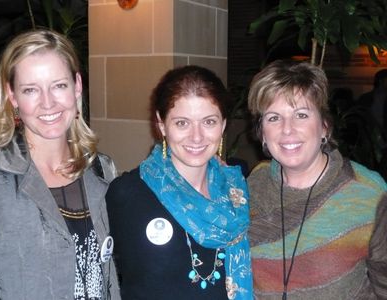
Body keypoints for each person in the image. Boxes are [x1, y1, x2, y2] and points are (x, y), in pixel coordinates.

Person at [0, 29, 121, 299]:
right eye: (30, 90)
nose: (47, 103)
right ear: (13, 97)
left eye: (58, 85)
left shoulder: (102, 170)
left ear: (77, 86)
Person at [106, 65, 253, 300]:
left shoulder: (237, 191)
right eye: (182, 123)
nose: (196, 137)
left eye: (208, 122)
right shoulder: (127, 195)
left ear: (223, 125)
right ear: (162, 124)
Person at [247, 60, 387, 299]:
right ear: (262, 133)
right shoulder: (252, 186)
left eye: (301, 114)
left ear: (324, 126)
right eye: (273, 118)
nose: (287, 129)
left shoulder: (368, 192)